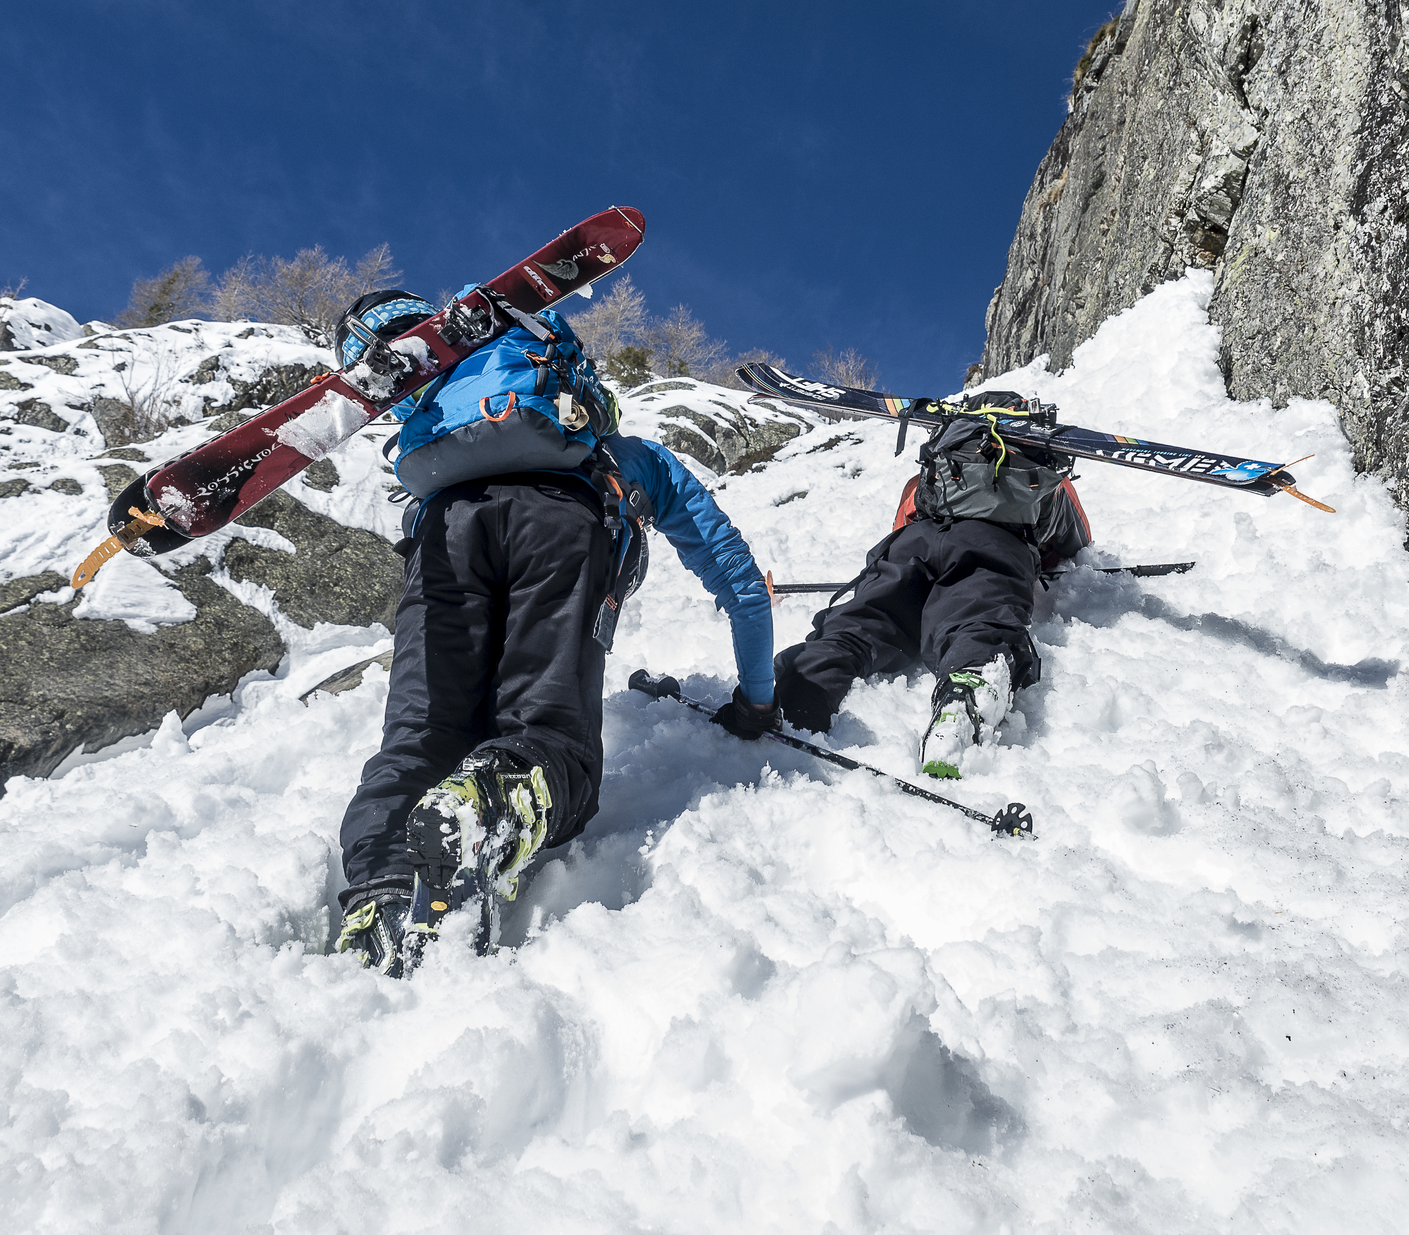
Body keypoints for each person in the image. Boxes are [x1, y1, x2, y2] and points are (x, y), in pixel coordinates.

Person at [330, 288, 773, 977]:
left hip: (445, 530)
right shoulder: (629, 456)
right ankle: (497, 797)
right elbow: (740, 583)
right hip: (563, 525)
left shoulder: (443, 430)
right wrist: (756, 699)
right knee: (553, 741)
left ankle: (382, 894)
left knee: (420, 737)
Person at [717, 392, 1088, 778]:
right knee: (977, 615)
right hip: (993, 546)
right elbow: (1075, 540)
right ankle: (966, 691)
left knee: (861, 622)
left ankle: (803, 686)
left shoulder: (937, 464)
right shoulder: (1040, 467)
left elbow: (904, 518)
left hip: (913, 545)